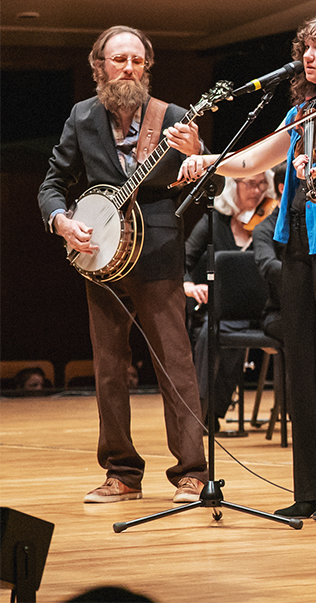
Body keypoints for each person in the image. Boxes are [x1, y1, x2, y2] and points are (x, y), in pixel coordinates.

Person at [178, 14, 316, 521]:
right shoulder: (303, 110)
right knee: (301, 365)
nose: (309, 56)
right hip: (297, 242)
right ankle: (314, 486)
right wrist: (207, 158)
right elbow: (254, 161)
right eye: (306, 48)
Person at [39, 26, 209, 504]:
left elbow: (195, 183)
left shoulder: (172, 118)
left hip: (155, 253)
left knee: (175, 365)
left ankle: (192, 472)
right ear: (101, 67)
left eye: (137, 60)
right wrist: (62, 221)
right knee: (110, 368)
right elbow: (52, 181)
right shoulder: (82, 116)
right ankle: (121, 473)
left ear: (146, 67)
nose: (128, 67)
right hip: (99, 257)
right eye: (119, 60)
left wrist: (194, 154)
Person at [182, 170, 279, 429]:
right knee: (210, 334)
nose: (257, 191)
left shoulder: (271, 223)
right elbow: (184, 260)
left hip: (264, 313)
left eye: (262, 185)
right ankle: (201, 411)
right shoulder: (214, 222)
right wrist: (188, 285)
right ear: (233, 185)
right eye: (250, 184)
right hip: (224, 314)